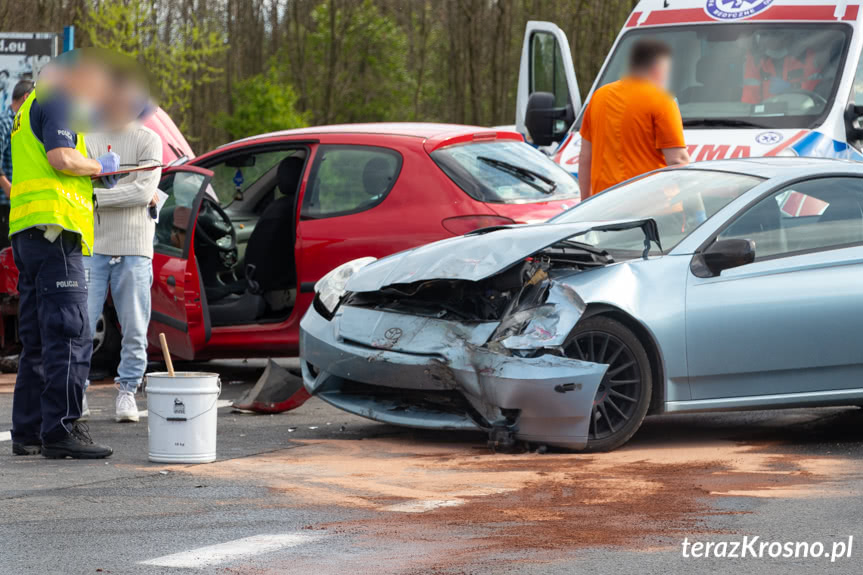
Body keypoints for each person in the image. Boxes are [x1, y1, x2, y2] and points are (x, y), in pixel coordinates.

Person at [8, 53, 118, 458]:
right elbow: (61, 158)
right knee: (71, 334)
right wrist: (97, 166)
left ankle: (30, 431)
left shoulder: (28, 108)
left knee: (37, 337)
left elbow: (48, 164)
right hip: (56, 234)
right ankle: (61, 429)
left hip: (30, 232)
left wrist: (92, 170)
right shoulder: (59, 101)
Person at [83, 83, 162, 423]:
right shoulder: (87, 139)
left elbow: (144, 190)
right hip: (94, 245)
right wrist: (121, 192)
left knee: (133, 326)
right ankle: (77, 390)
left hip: (134, 246)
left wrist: (98, 198)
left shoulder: (149, 140)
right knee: (81, 324)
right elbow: (79, 184)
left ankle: (128, 390)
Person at [578, 38, 689, 200]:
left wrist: (586, 202)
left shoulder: (599, 96)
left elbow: (585, 158)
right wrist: (695, 209)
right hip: (653, 208)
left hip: (604, 205)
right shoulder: (661, 99)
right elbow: (678, 160)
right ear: (658, 68)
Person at [742, 31, 823, 105]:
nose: (769, 38)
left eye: (775, 34)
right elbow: (749, 98)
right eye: (764, 34)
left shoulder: (805, 56)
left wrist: (791, 87)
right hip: (764, 116)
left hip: (800, 113)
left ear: (786, 35)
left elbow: (816, 90)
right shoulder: (755, 61)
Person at [0, 80, 33, 196]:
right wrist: (7, 187)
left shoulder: (25, 123)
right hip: (5, 199)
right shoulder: (4, 122)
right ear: (26, 97)